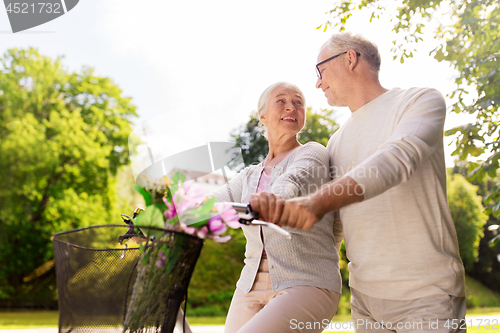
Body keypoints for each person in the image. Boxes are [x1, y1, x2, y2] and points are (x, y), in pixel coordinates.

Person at [250, 33, 467, 332]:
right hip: (365, 302)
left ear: (350, 59)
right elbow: (337, 226)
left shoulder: (418, 100)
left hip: (426, 295)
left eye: (321, 71)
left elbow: (396, 159)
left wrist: (316, 202)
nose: (318, 83)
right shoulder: (337, 141)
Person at [213, 82, 342, 333]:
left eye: (298, 102)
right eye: (281, 100)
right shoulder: (249, 174)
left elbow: (292, 181)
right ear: (262, 115)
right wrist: (172, 211)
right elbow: (214, 202)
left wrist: (271, 200)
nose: (291, 106)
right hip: (249, 284)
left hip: (306, 281)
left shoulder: (313, 153)